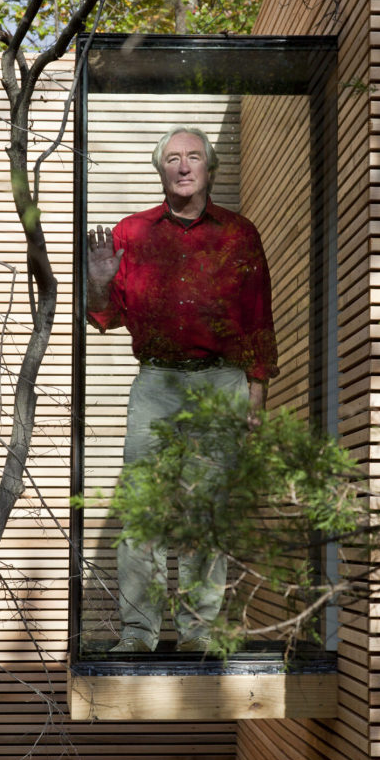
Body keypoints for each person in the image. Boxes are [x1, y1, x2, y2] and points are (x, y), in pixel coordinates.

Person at [87, 124, 278, 655]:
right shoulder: (130, 233)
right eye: (174, 157)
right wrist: (98, 278)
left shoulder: (240, 233)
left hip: (222, 381)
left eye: (194, 156)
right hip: (157, 380)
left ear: (210, 166)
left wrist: (255, 396)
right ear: (161, 168)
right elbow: (103, 315)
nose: (184, 166)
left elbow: (259, 317)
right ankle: (139, 633)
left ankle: (197, 631)